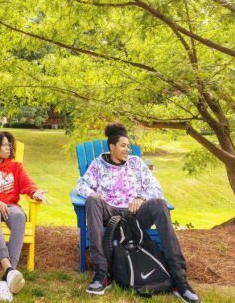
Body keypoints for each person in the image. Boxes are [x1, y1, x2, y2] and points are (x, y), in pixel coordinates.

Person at [75, 123, 201, 302]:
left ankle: (179, 279)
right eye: (123, 146)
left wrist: (141, 198)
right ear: (112, 147)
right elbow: (81, 184)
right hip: (109, 214)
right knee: (92, 201)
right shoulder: (98, 164)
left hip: (135, 215)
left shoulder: (136, 163)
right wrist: (94, 194)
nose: (127, 149)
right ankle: (102, 273)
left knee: (158, 203)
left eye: (129, 146)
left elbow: (156, 187)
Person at [0, 131, 48, 301]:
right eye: (5, 144)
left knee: (20, 216)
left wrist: (35, 192)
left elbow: (27, 183)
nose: (9, 147)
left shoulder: (16, 167)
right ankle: (8, 268)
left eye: (9, 144)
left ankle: (6, 279)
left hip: (10, 206)